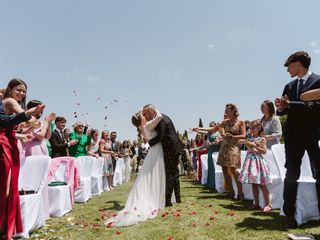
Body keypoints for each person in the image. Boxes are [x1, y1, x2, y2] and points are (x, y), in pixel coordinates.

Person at [275, 51, 320, 229]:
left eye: (289, 66)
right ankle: (289, 215)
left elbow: (316, 107)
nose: (288, 70)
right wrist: (280, 107)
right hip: (293, 137)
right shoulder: (289, 86)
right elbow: (284, 111)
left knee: (319, 174)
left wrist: (291, 105)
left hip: (314, 135)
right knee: (291, 175)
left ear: (299, 64)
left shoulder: (318, 81)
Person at [0, 79, 44, 240]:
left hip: (12, 144)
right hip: (4, 145)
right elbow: (23, 117)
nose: (21, 93)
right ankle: (4, 228)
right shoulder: (10, 101)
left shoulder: (10, 105)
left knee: (11, 189)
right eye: (18, 90)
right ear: (10, 89)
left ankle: (7, 229)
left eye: (24, 91)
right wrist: (32, 116)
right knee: (5, 188)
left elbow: (15, 127)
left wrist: (22, 133)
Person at [105, 109, 165, 227]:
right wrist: (153, 109)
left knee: (149, 176)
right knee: (152, 175)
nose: (145, 116)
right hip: (157, 151)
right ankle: (153, 200)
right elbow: (160, 116)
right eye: (143, 115)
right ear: (142, 118)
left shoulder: (142, 129)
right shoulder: (147, 125)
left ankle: (153, 198)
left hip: (154, 151)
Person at [143, 104, 184, 207]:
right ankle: (177, 198)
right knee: (174, 173)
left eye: (146, 113)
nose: (145, 115)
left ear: (152, 111)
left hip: (171, 148)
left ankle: (168, 201)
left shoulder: (161, 119)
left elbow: (161, 135)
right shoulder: (159, 118)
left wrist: (150, 143)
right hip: (173, 147)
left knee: (170, 174)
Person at [238, 120, 272, 212]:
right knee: (254, 184)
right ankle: (256, 203)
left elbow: (264, 151)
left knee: (262, 184)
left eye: (254, 128)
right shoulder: (249, 138)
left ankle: (268, 204)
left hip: (258, 162)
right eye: (251, 128)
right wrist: (246, 143)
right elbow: (245, 145)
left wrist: (254, 146)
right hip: (250, 162)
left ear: (259, 128)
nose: (251, 130)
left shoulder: (262, 139)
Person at [214, 104, 246, 200]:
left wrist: (233, 136)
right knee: (224, 168)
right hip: (224, 146)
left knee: (233, 169)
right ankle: (231, 192)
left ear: (233, 110)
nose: (226, 112)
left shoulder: (241, 122)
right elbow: (213, 129)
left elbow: (244, 135)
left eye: (228, 110)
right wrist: (199, 129)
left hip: (234, 146)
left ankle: (240, 193)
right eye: (225, 110)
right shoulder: (225, 122)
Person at [194, 121, 221, 191]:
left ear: (216, 126)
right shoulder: (209, 133)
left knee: (216, 168)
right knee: (211, 168)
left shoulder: (219, 133)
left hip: (216, 152)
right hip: (210, 152)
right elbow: (202, 132)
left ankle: (217, 185)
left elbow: (220, 142)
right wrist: (196, 130)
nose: (211, 127)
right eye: (210, 126)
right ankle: (211, 184)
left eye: (212, 125)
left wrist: (213, 143)